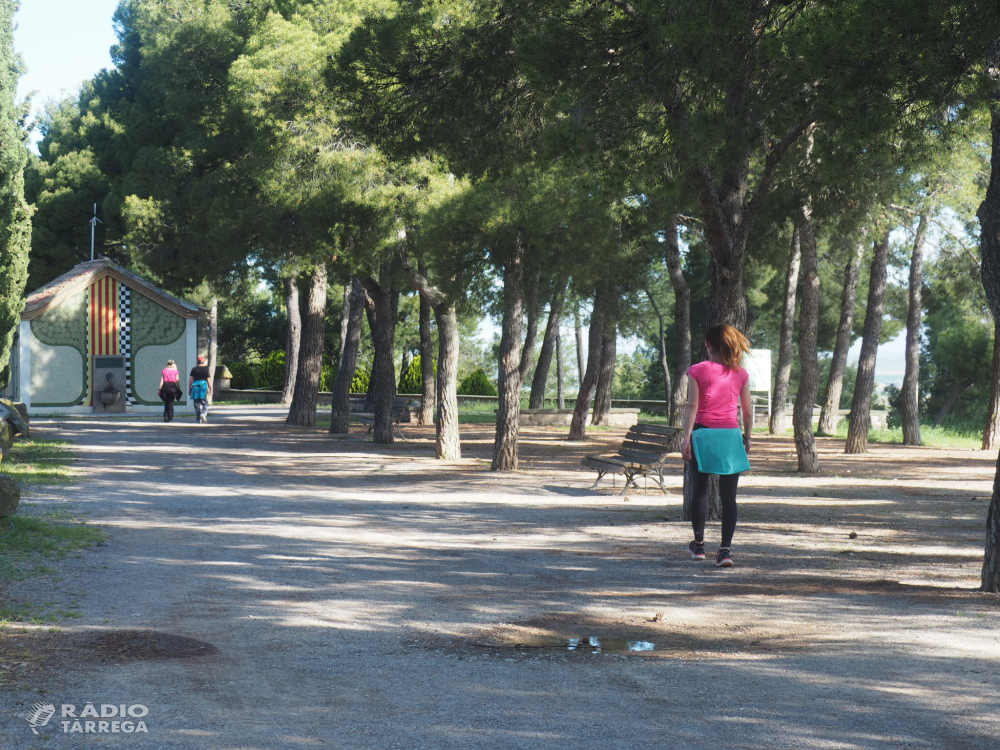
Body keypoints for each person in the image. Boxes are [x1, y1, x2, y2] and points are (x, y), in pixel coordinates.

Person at [681, 323, 753, 568]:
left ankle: (699, 545)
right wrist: (748, 437)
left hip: (702, 434)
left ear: (708, 344)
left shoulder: (697, 370)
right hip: (731, 436)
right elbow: (748, 412)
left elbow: (692, 406)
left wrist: (686, 438)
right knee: (728, 496)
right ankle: (725, 552)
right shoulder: (741, 373)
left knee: (700, 491)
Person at [189, 356, 212, 423]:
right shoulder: (206, 370)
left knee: (196, 404)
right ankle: (203, 413)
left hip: (195, 386)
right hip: (203, 387)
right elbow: (209, 381)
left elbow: (191, 379)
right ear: (203, 362)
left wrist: (189, 389)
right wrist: (211, 389)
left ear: (197, 362)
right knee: (205, 403)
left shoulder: (194, 369)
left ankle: (199, 419)